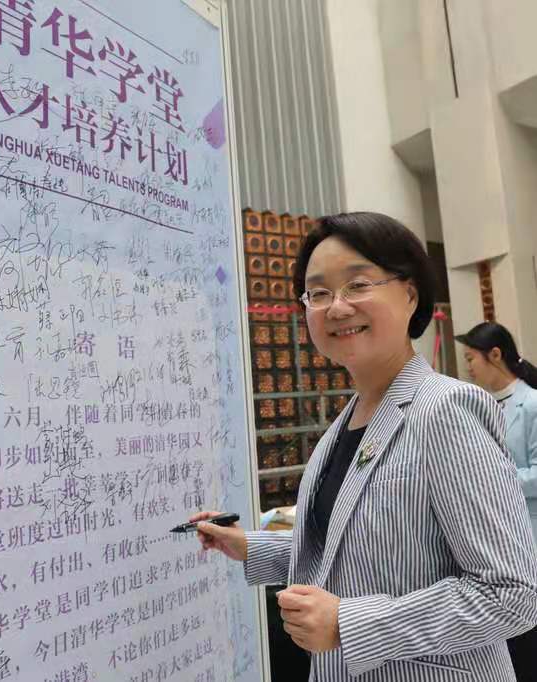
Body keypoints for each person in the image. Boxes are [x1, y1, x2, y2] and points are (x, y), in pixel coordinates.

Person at [193, 212, 537, 681]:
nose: (336, 307)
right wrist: (247, 546)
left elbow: (511, 593)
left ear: (410, 295)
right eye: (318, 293)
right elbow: (352, 551)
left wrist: (350, 624)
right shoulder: (345, 425)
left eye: (357, 285)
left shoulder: (444, 409)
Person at [456, 321, 537, 681]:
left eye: (470, 359)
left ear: (495, 355)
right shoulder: (483, 405)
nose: (468, 368)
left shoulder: (531, 404)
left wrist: (491, 482)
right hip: (497, 534)